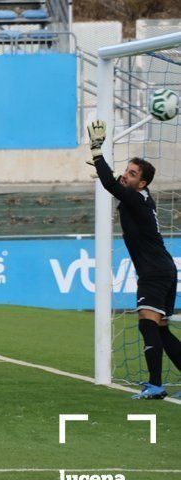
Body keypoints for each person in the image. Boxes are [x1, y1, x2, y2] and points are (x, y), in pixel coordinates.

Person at [88, 120, 181, 399]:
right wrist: (110, 173)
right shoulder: (141, 198)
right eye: (126, 171)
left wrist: (97, 151)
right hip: (162, 269)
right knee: (160, 328)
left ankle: (155, 385)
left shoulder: (137, 199)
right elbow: (114, 183)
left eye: (132, 173)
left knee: (146, 323)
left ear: (142, 183)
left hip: (154, 271)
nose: (125, 175)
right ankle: (157, 383)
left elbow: (109, 183)